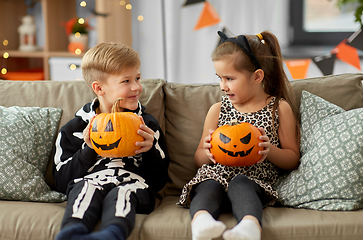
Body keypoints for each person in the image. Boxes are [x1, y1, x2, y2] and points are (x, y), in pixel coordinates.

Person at [177, 31, 300, 240]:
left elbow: (292, 159)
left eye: (229, 78)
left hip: (254, 181)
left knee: (241, 183)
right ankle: (201, 222)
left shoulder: (278, 108)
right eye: (220, 78)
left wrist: (270, 151)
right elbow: (198, 160)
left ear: (257, 76)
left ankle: (249, 227)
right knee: (207, 184)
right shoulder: (217, 110)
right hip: (217, 176)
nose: (223, 86)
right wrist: (206, 152)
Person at [53, 42, 170, 240]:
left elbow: (158, 182)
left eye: (138, 78)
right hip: (90, 180)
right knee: (86, 187)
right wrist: (88, 150)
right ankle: (71, 234)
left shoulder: (146, 125)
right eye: (126, 81)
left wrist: (149, 151)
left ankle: (111, 235)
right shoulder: (75, 129)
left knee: (123, 191)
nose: (136, 87)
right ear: (99, 88)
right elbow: (61, 182)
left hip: (134, 184)